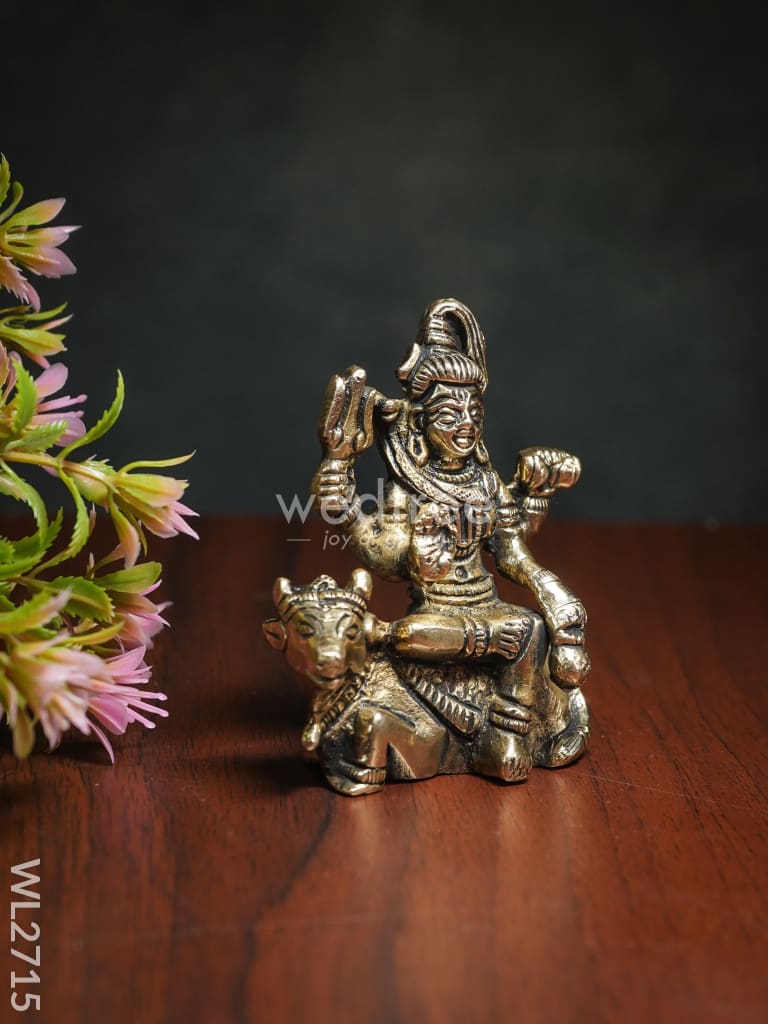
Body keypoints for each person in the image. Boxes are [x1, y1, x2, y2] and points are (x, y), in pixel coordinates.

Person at [311, 298, 589, 778]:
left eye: (473, 412)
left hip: (487, 607)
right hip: (436, 615)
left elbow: (511, 550)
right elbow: (381, 553)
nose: (465, 425)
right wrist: (407, 549)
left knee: (530, 629)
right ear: (420, 424)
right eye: (447, 415)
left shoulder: (486, 481)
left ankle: (506, 735)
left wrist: (539, 507)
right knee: (409, 637)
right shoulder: (409, 488)